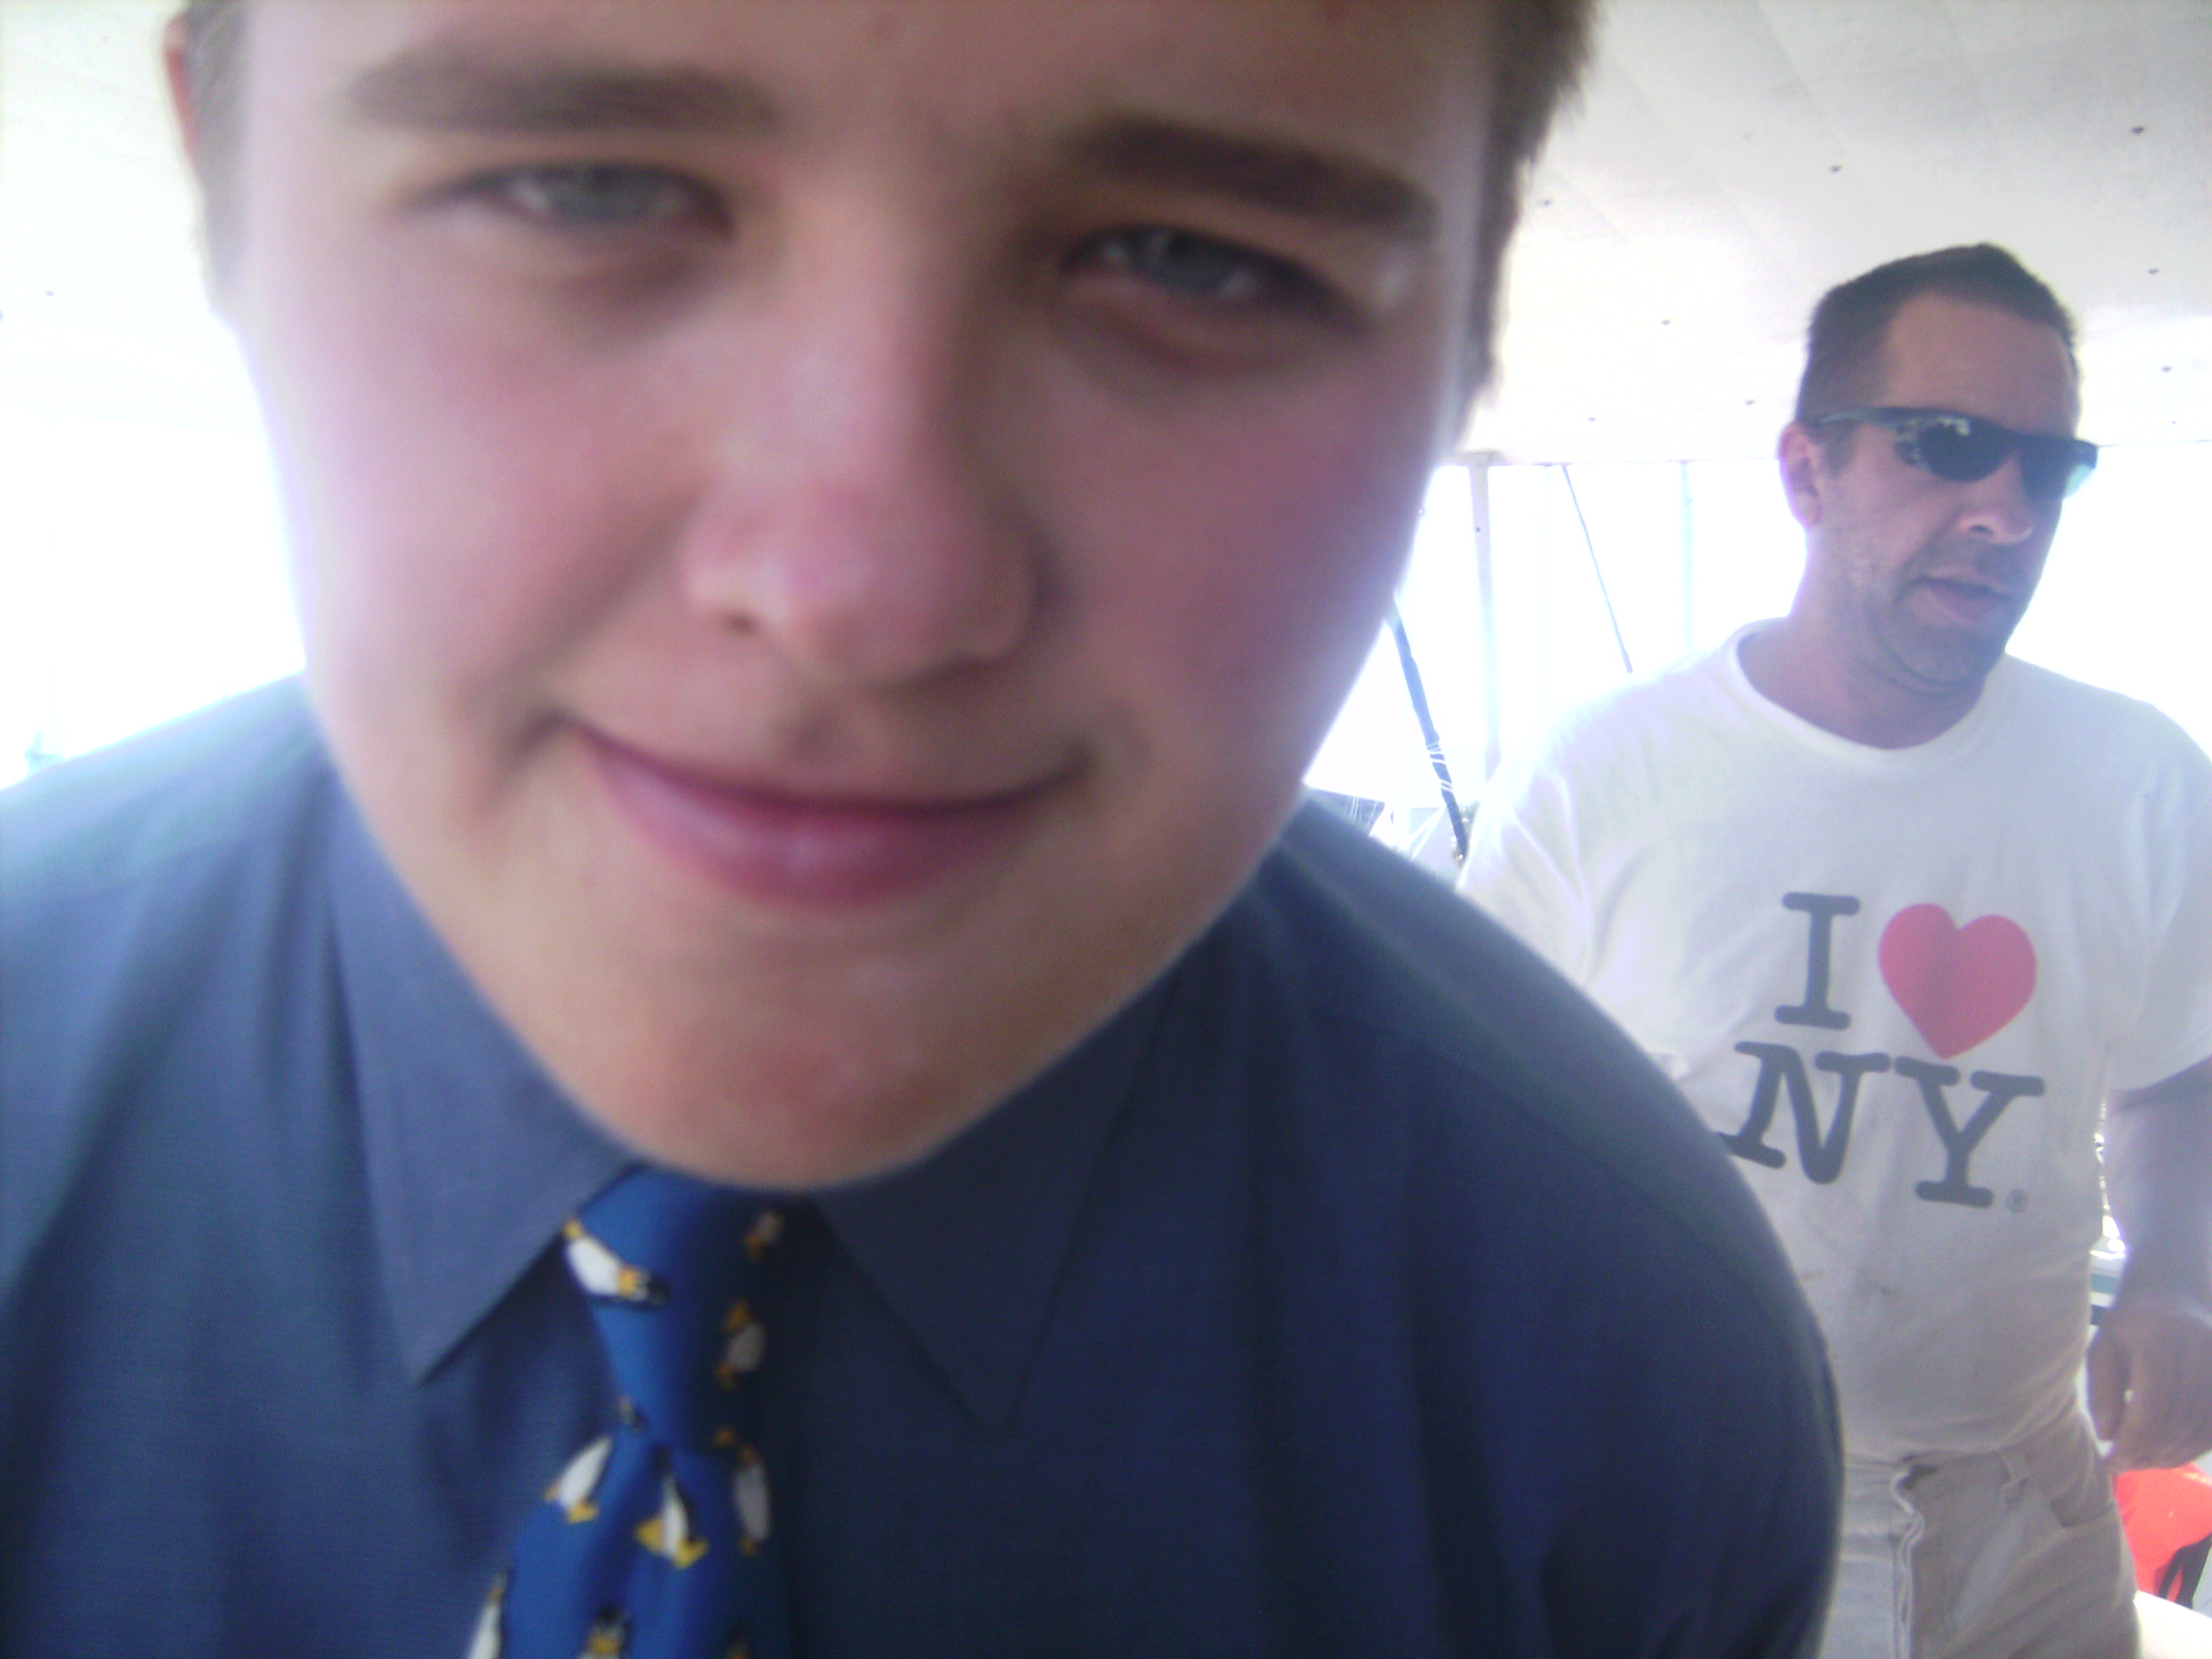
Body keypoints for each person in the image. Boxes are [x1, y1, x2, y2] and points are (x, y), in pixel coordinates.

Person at [0, 4, 1842, 1655]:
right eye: (582, 187)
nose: (860, 596)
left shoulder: (1617, 1368)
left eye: (1196, 259)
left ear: (1468, 333)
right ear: (223, 193)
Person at [1460, 243, 2212, 1659]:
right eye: (1948, 445)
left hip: (2036, 1507)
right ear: (1807, 472)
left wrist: (2176, 1273)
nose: (2005, 512)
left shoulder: (2145, 784)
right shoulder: (1601, 778)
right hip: (1708, 1497)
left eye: (2049, 468)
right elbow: (1471, 1140)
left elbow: (2176, 1076)